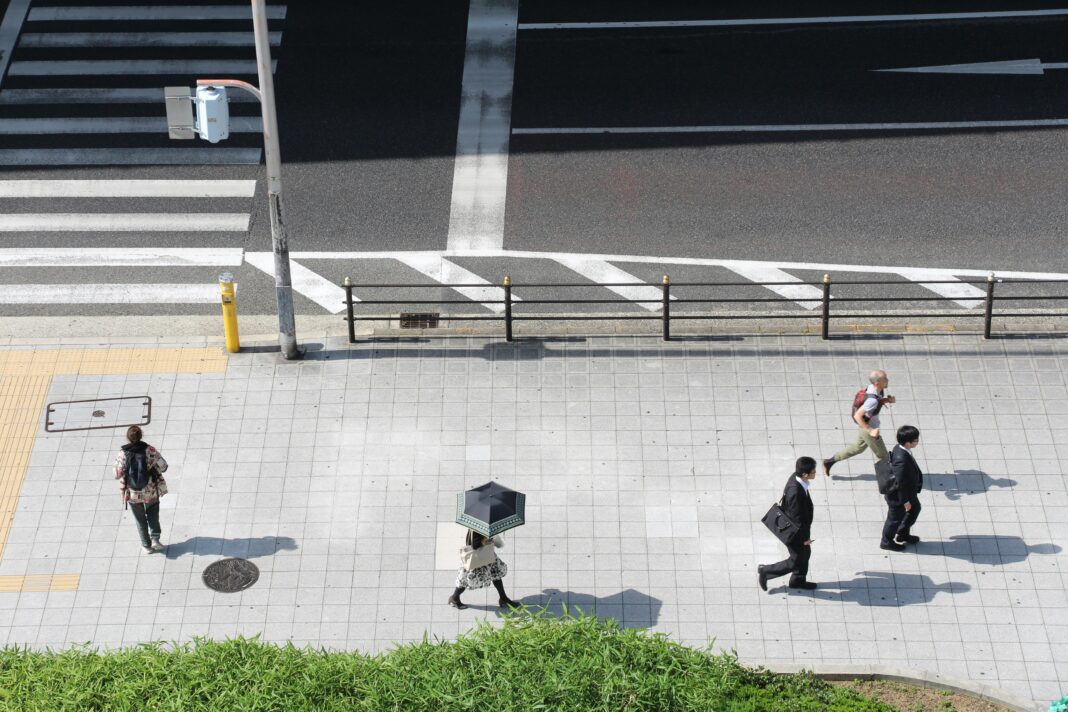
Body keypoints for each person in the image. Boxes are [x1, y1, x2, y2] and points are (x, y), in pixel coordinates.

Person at [758, 457, 818, 592]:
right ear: (804, 474)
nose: (815, 473)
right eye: (813, 471)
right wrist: (804, 539)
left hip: (800, 530)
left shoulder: (797, 478)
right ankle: (765, 571)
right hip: (795, 534)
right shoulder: (795, 492)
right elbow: (798, 520)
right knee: (796, 560)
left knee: (805, 554)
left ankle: (798, 580)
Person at [823, 369, 896, 476]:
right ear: (877, 382)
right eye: (885, 379)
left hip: (866, 427)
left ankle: (829, 462)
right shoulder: (872, 400)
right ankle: (891, 478)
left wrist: (887, 400)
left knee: (857, 448)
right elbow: (858, 416)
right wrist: (870, 430)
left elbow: (877, 401)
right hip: (869, 429)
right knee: (883, 456)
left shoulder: (874, 389)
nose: (887, 380)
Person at [113, 425, 169, 553]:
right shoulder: (150, 450)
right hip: (150, 490)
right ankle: (155, 539)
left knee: (140, 519)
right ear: (141, 435)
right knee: (153, 514)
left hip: (132, 492)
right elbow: (164, 466)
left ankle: (146, 545)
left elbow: (117, 474)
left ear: (128, 438)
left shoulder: (123, 453)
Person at [448, 529, 519, 610]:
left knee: (496, 576)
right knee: (464, 581)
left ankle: (503, 598)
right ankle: (454, 598)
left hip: (487, 556)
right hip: (477, 559)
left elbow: (496, 543)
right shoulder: (476, 528)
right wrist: (484, 540)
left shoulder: (484, 525)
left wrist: (493, 539)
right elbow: (474, 545)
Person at [881, 425, 924, 552]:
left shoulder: (900, 449)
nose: (917, 442)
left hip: (908, 493)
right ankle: (886, 541)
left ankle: (903, 533)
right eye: (916, 440)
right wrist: (905, 501)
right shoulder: (902, 460)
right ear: (908, 442)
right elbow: (900, 483)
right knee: (894, 519)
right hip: (899, 497)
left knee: (915, 509)